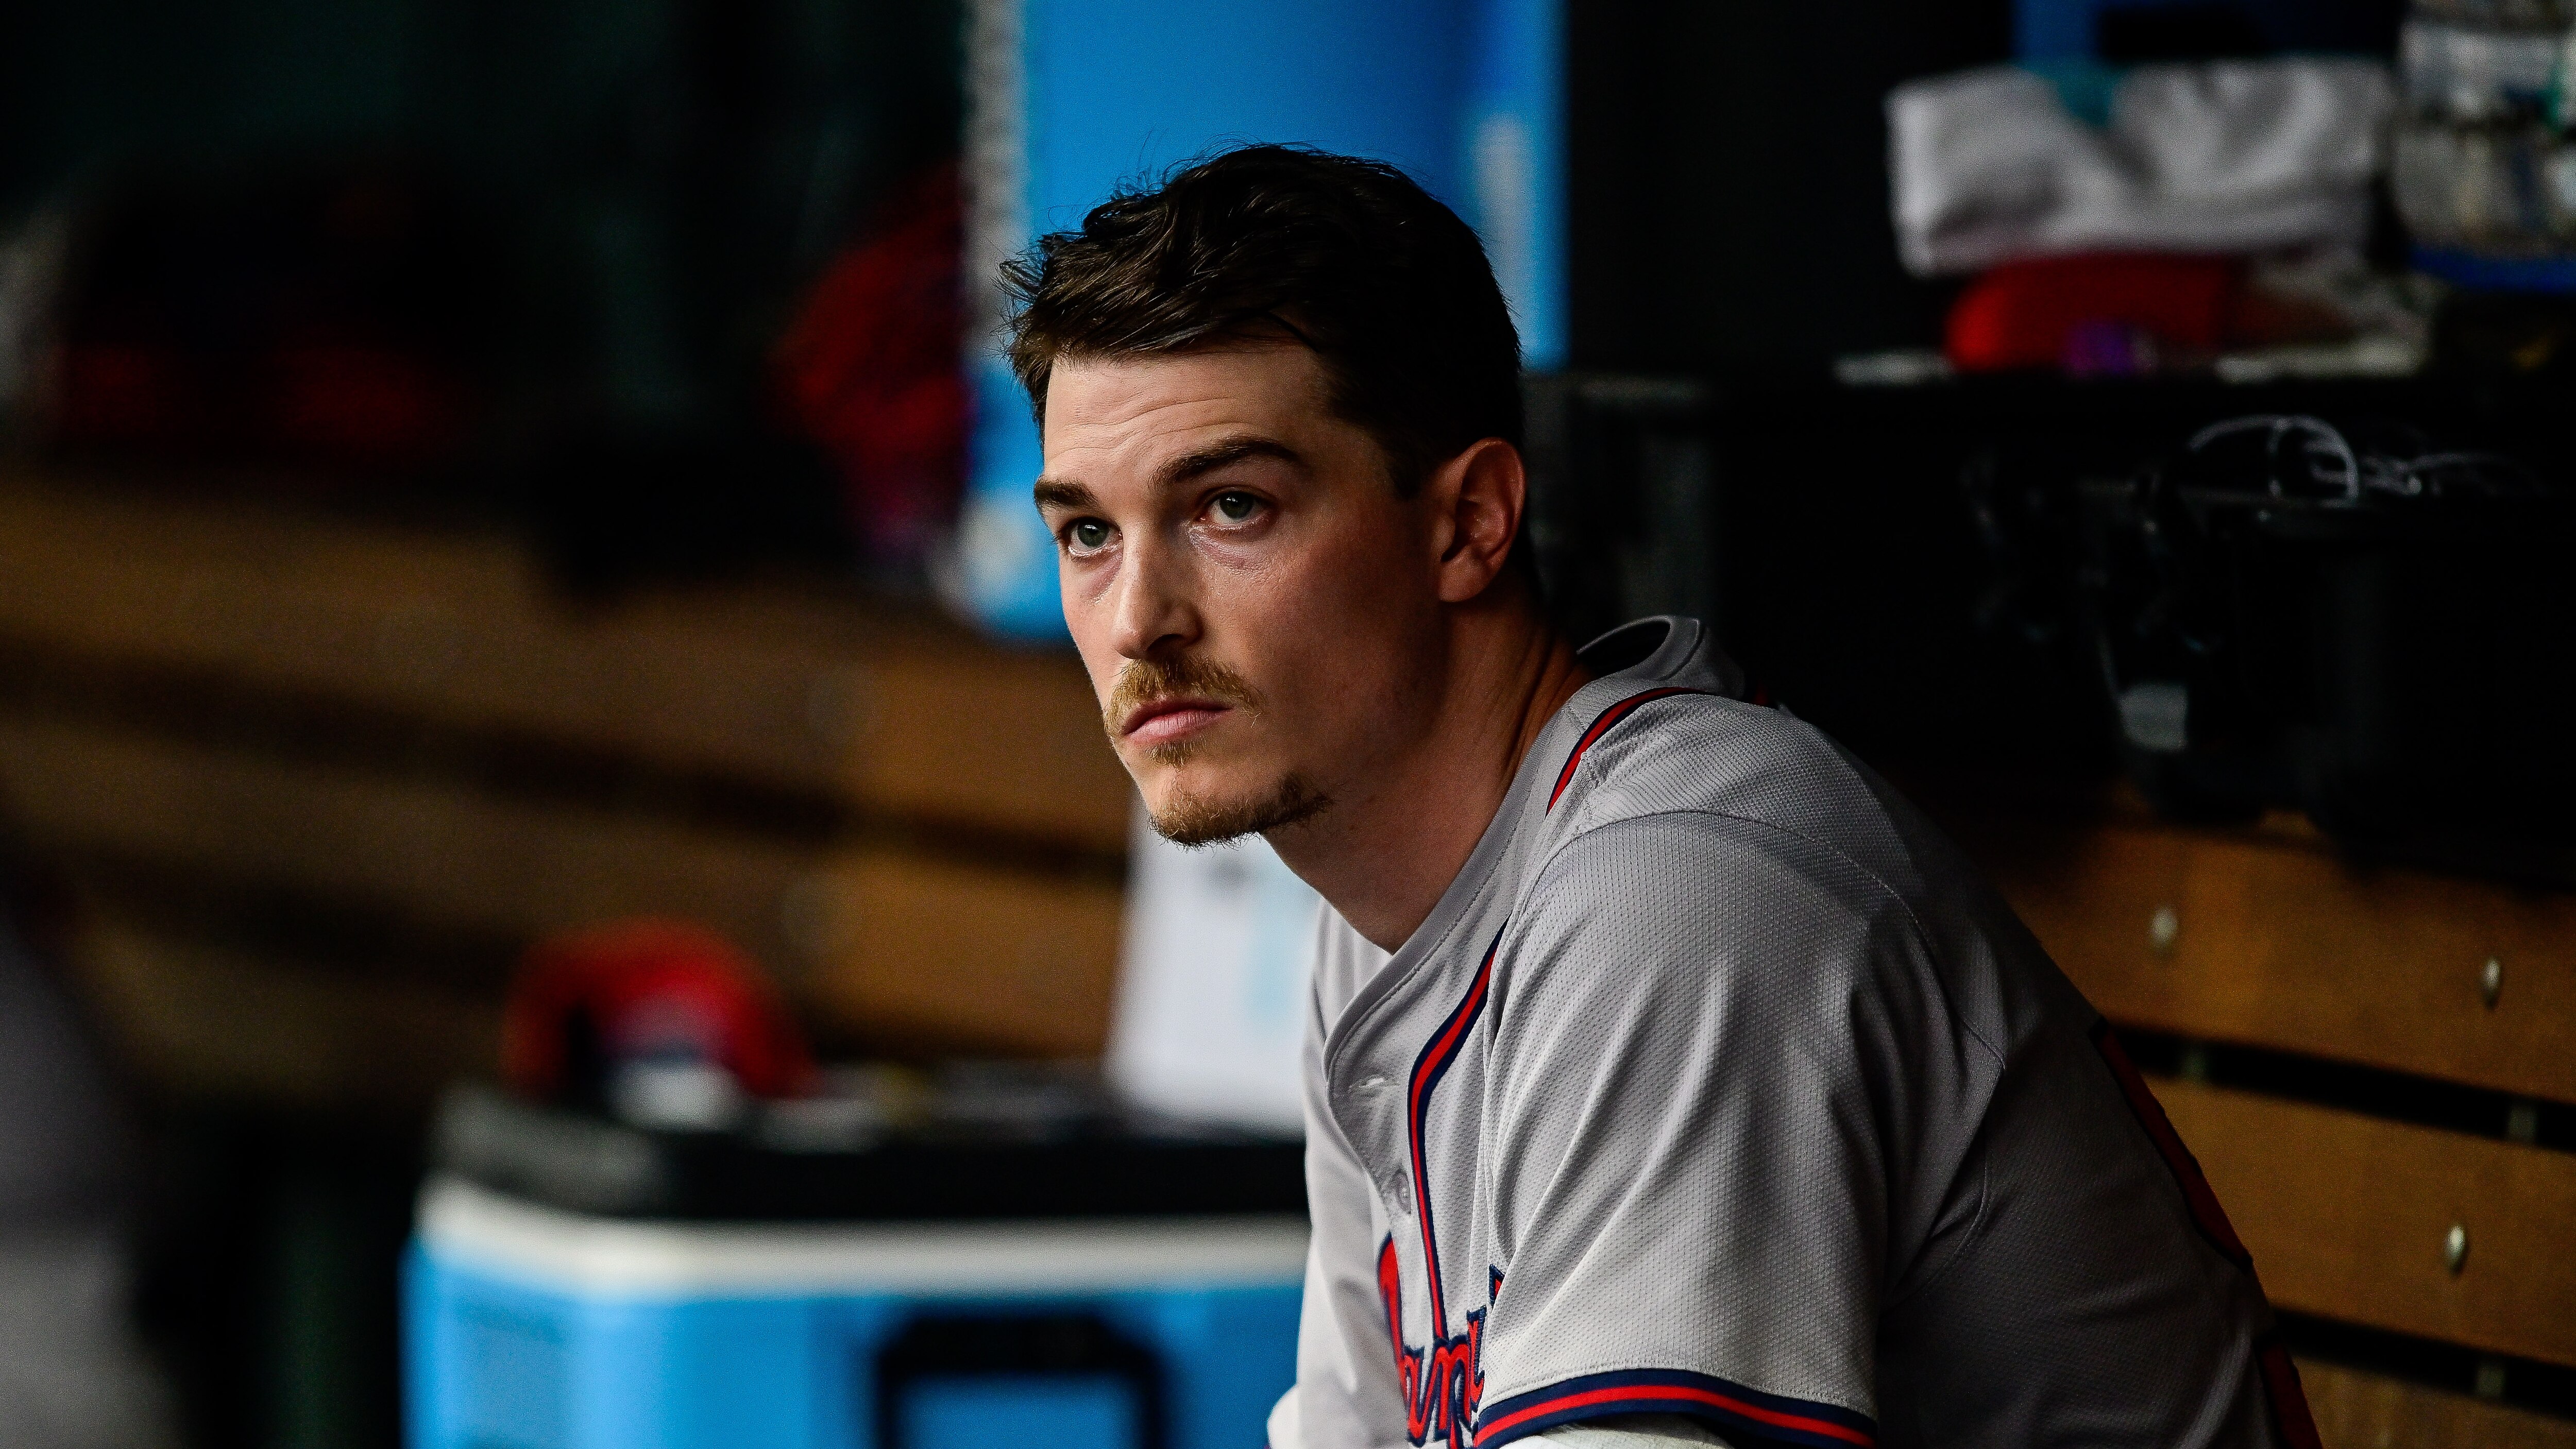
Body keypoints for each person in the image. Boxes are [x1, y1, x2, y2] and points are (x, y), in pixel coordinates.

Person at [1004, 144, 2318, 1449]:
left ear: (1468, 523)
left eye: (1232, 506)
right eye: (1086, 533)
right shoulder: (1376, 910)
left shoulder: (1680, 891)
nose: (1136, 621)